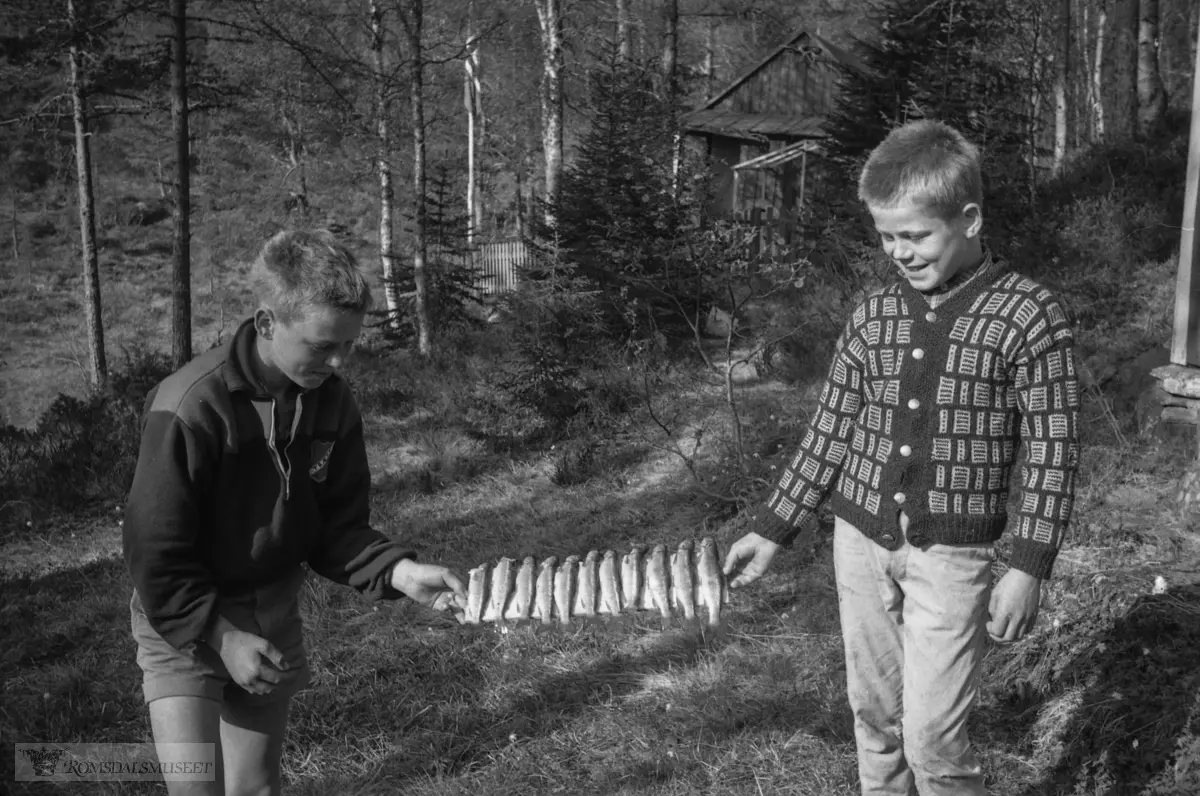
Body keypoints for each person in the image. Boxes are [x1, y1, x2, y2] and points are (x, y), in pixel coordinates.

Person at [722, 120, 1080, 795]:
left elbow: (1055, 451)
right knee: (877, 721)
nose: (900, 253)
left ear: (969, 219)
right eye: (888, 237)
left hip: (952, 557)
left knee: (934, 738)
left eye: (916, 235)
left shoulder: (1030, 316)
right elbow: (831, 426)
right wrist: (772, 528)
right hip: (858, 543)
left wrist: (1029, 565)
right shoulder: (874, 312)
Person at [123, 229, 467, 796]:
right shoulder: (191, 406)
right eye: (320, 345)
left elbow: (335, 525)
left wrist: (401, 574)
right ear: (266, 323)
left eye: (349, 345)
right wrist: (222, 635)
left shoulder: (332, 400)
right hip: (182, 622)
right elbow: (154, 554)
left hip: (271, 613)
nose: (337, 361)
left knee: (257, 788)